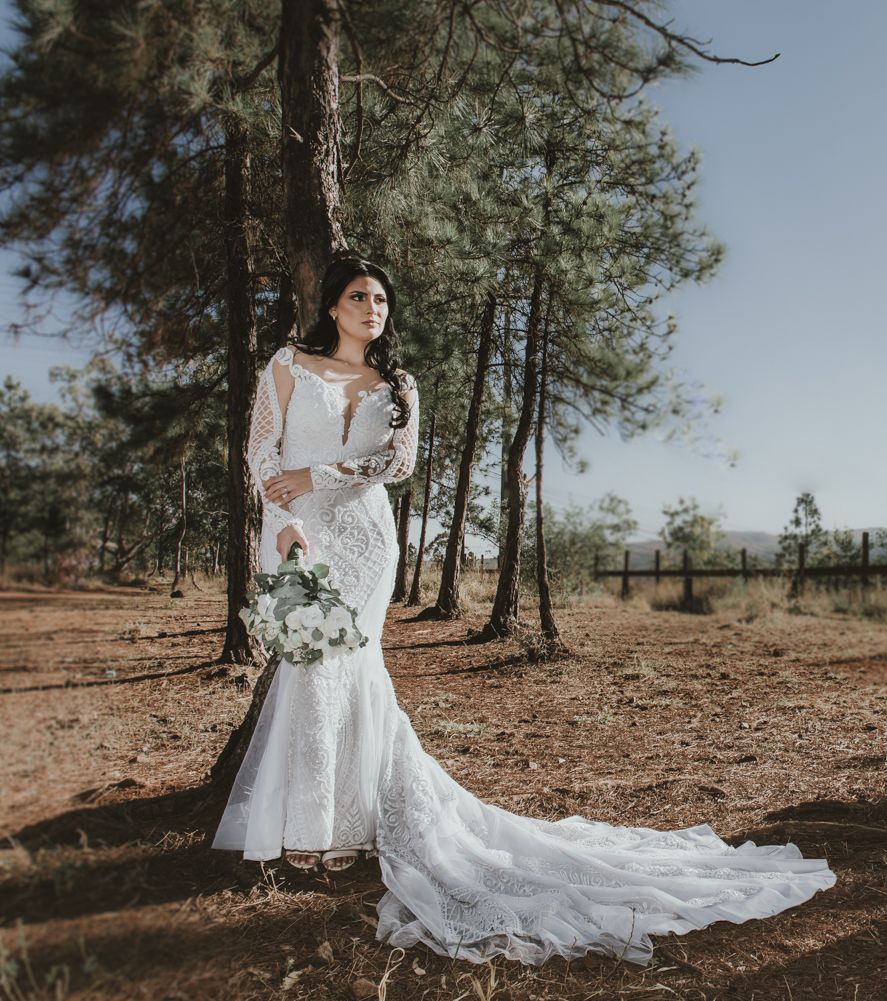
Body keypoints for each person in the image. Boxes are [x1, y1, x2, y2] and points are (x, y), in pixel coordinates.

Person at [210, 257, 836, 966]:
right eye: (358, 296)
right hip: (297, 530)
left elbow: (398, 463)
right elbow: (260, 450)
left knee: (353, 669)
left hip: (366, 537)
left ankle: (346, 827)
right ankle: (307, 824)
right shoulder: (289, 365)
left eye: (382, 299)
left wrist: (320, 473)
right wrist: (287, 519)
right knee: (311, 669)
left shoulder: (399, 383)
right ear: (332, 305)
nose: (372, 308)